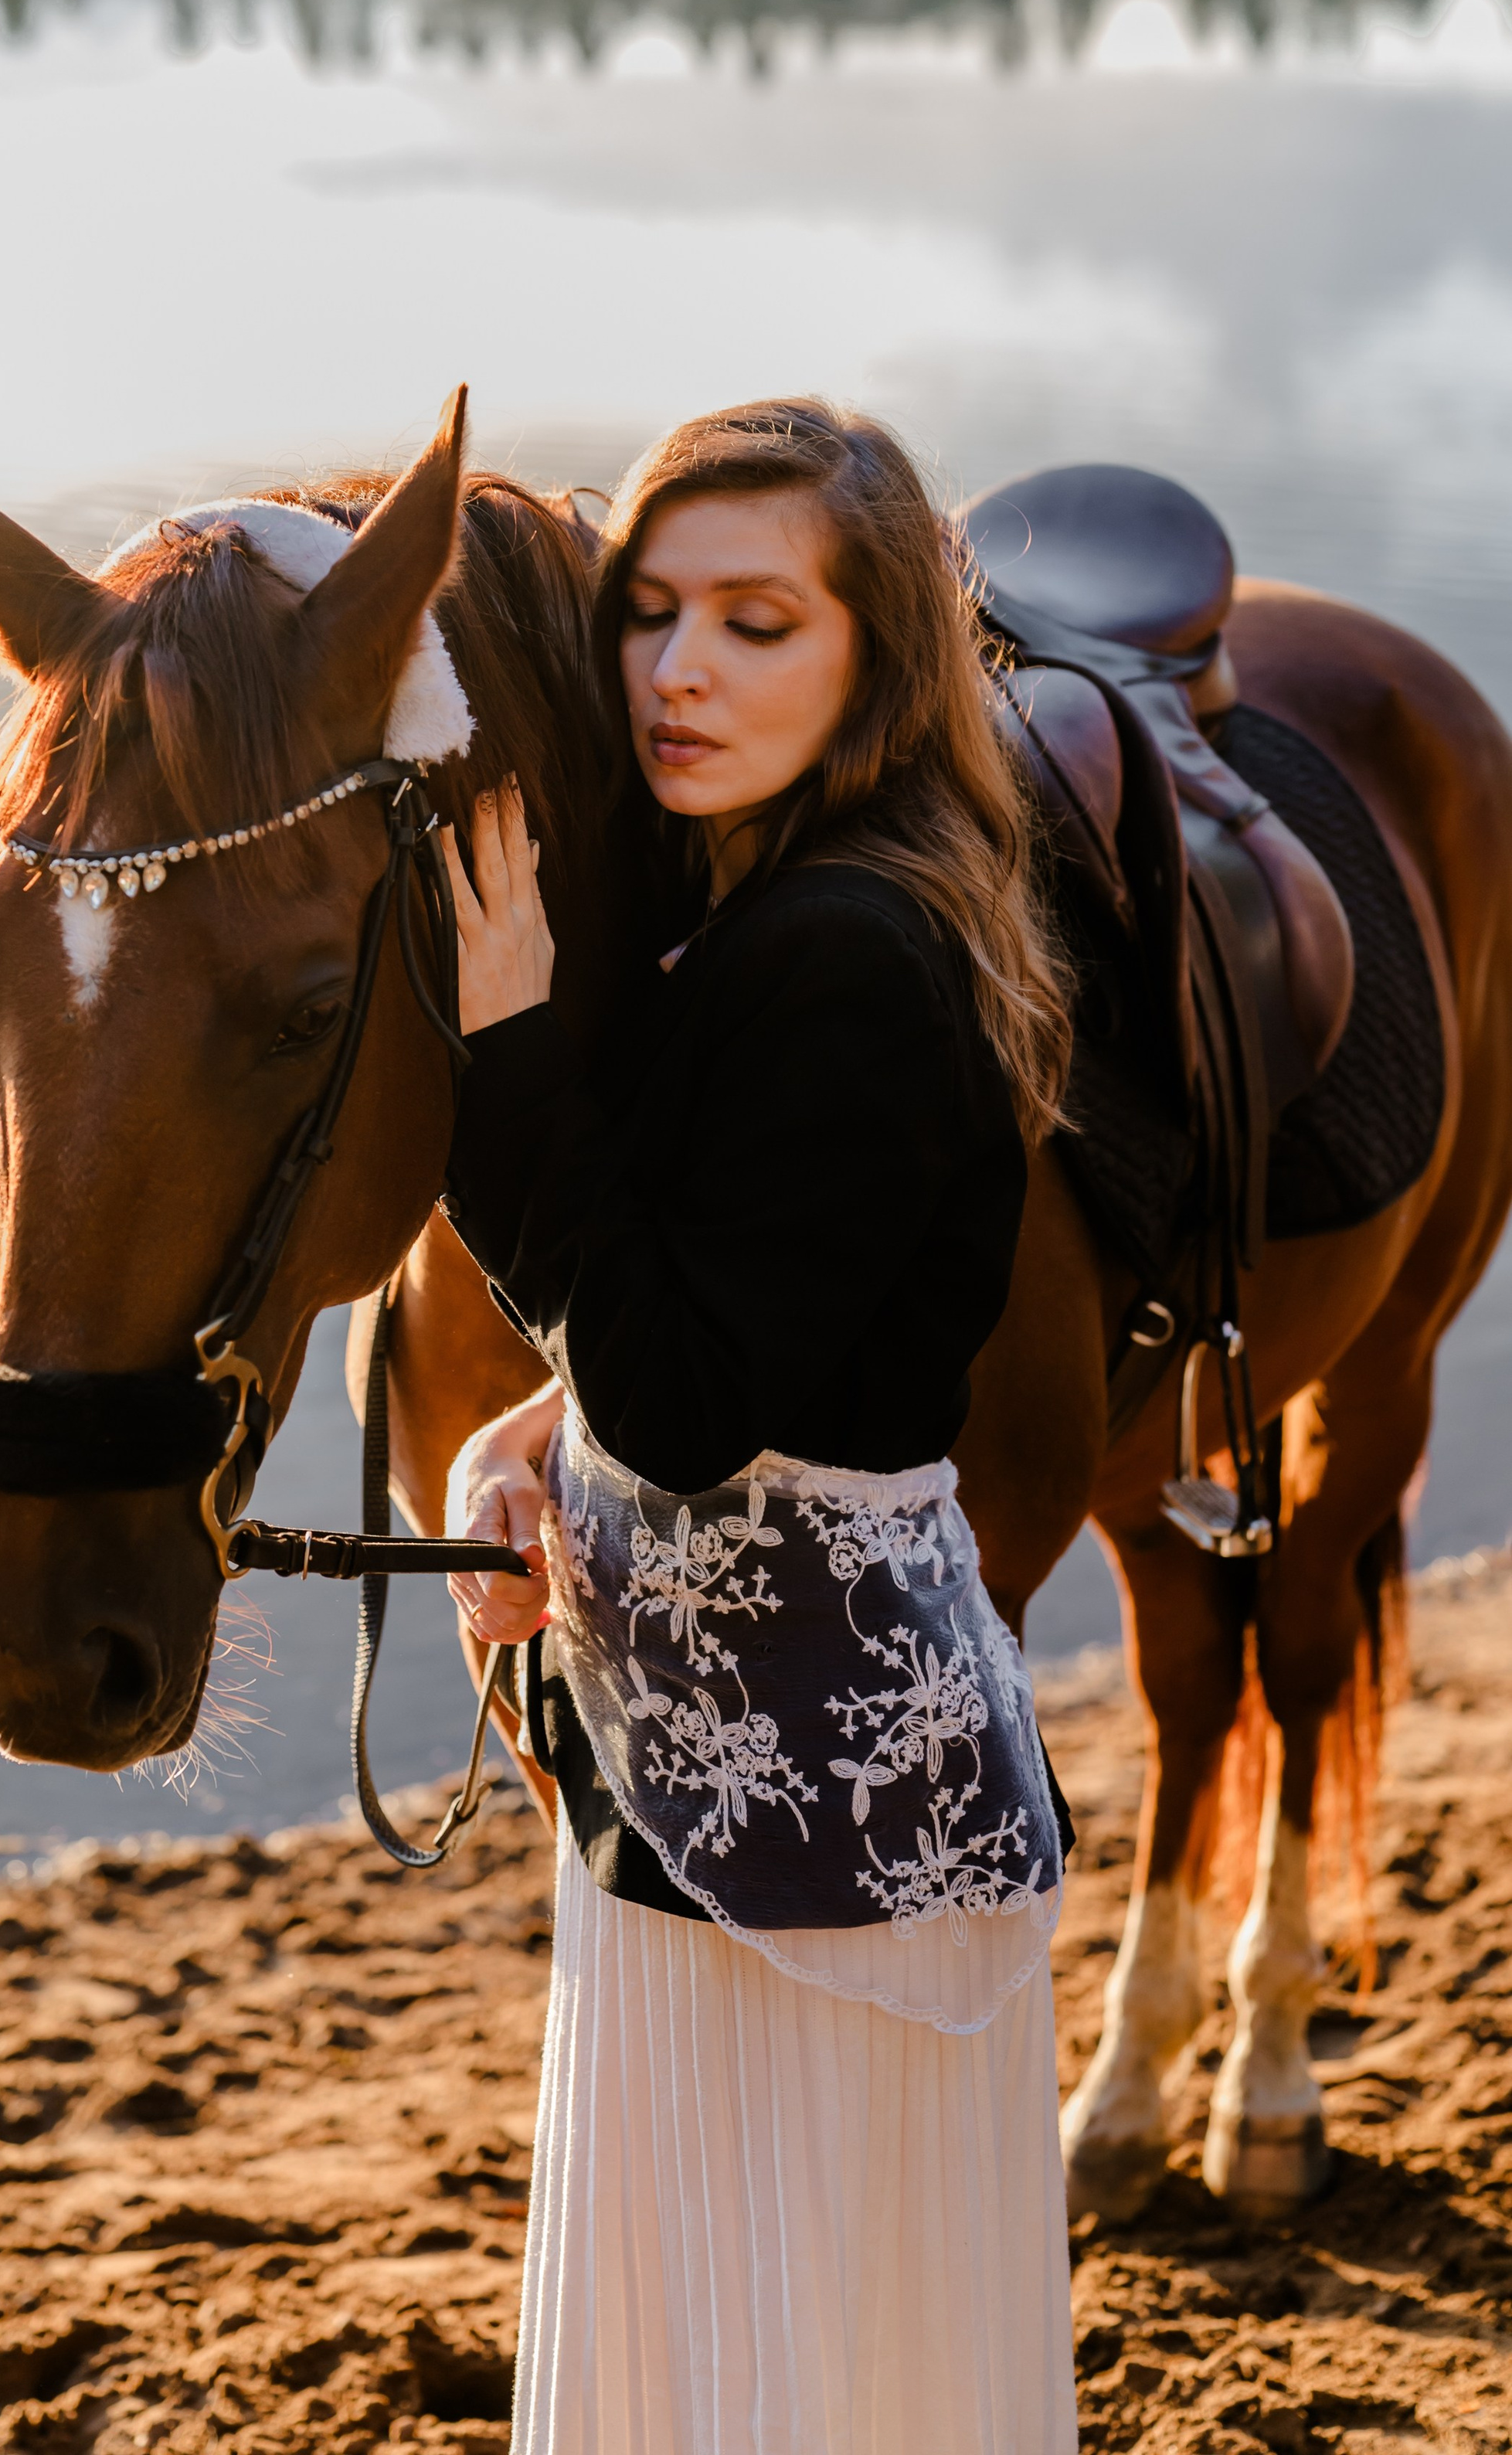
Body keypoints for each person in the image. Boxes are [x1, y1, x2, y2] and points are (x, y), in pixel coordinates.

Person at [436, 400, 1079, 2455]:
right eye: (651, 613)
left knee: (777, 2374)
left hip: (802, 1840)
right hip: (769, 1813)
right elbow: (757, 1327)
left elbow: (694, 1413)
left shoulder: (850, 949)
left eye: (758, 619)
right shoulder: (789, 905)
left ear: (878, 664)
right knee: (780, 2360)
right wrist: (529, 1434)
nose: (681, 669)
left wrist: (509, 1046)